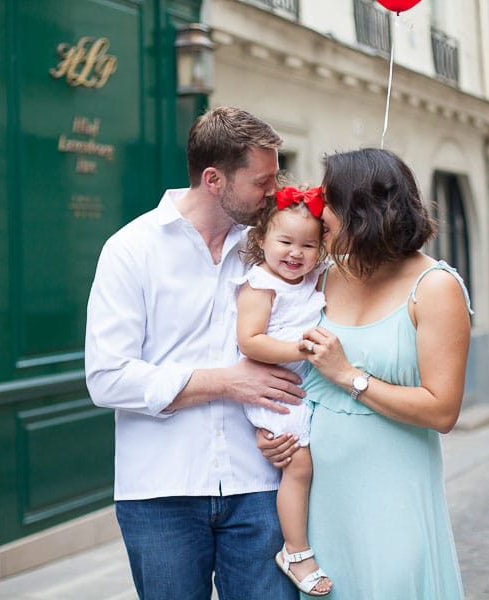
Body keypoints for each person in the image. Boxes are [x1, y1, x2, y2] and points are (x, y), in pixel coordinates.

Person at [84, 106, 301, 600]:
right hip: (160, 492)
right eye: (261, 181)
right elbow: (107, 377)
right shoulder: (130, 250)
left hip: (260, 486)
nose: (273, 192)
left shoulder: (270, 250)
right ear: (213, 179)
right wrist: (227, 381)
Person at [260, 148, 472, 599]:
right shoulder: (325, 276)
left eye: (329, 202)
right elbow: (279, 355)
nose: (321, 214)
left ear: (362, 210)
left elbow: (443, 410)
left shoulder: (435, 288)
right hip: (322, 501)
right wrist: (271, 427)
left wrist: (349, 375)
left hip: (393, 493)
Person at [234, 186, 333, 596]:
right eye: (285, 242)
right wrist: (300, 349)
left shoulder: (309, 280)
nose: (296, 253)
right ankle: (295, 551)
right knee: (300, 467)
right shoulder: (261, 285)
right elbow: (250, 341)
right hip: (275, 391)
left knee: (309, 467)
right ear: (261, 241)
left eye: (308, 245)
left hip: (300, 386)